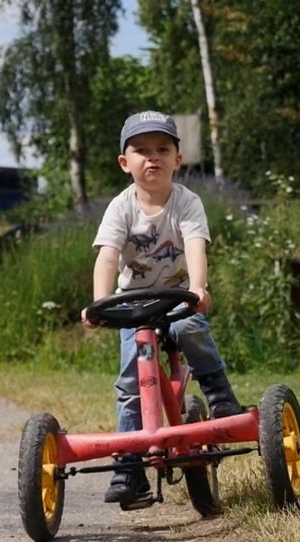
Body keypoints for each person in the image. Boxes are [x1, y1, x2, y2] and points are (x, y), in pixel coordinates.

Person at [81, 110, 243, 508]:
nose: (152, 157)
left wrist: (198, 287)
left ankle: (218, 393)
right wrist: (100, 304)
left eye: (162, 149)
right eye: (141, 150)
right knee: (130, 383)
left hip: (176, 298)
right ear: (125, 163)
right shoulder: (120, 208)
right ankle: (130, 468)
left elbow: (194, 245)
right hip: (133, 306)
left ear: (177, 159)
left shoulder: (187, 202)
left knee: (191, 329)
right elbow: (107, 257)